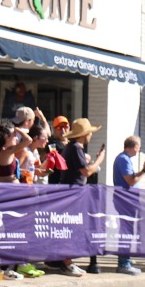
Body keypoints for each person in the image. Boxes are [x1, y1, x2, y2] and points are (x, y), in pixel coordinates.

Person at [58, 118, 105, 276]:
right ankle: (67, 263)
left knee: (71, 227)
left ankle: (67, 261)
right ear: (85, 134)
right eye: (90, 133)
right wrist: (100, 159)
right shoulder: (76, 148)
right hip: (73, 194)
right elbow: (86, 171)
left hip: (72, 193)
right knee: (71, 227)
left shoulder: (71, 147)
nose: (91, 135)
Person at [112, 135, 145, 275]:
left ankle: (126, 259)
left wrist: (143, 170)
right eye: (139, 146)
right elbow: (130, 181)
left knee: (128, 230)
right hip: (125, 201)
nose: (139, 149)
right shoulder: (123, 159)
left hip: (127, 200)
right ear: (135, 147)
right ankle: (124, 263)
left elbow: (131, 178)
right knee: (126, 230)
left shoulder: (124, 159)